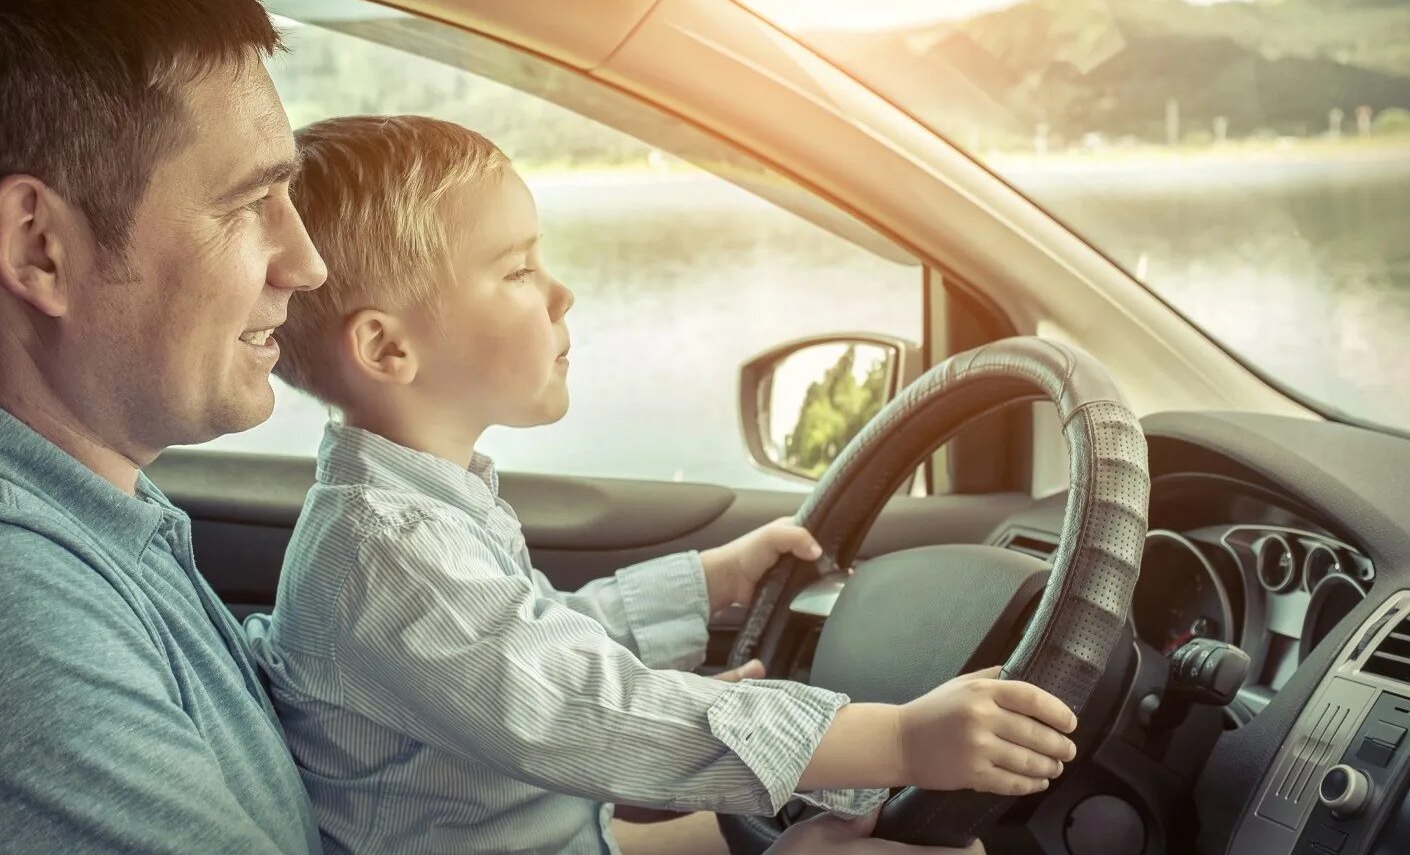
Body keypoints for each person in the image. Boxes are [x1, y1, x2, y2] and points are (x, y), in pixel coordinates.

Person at [0, 0, 992, 855]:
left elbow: (343, 696)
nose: (305, 261)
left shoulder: (71, 515)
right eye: (247, 206)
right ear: (39, 247)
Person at [245, 115, 1080, 854]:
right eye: (517, 271)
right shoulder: (388, 553)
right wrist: (895, 741)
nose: (562, 292)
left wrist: (708, 583)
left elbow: (540, 641)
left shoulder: (426, 508)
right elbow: (579, 713)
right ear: (390, 351)